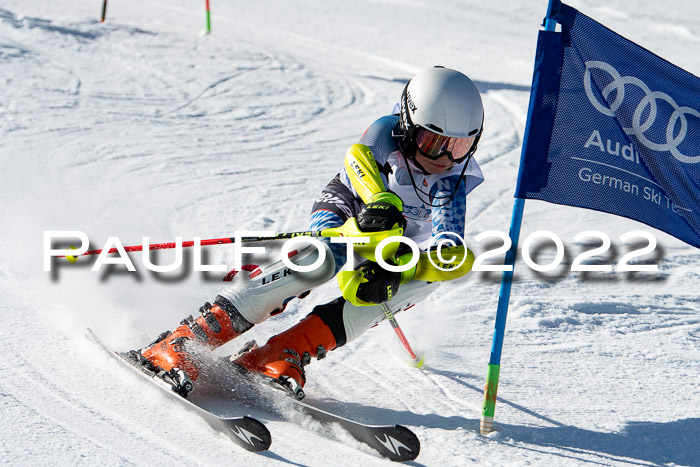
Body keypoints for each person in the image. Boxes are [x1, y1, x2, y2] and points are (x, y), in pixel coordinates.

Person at [125, 66, 485, 399]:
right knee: (325, 260)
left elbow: (449, 246)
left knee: (418, 282)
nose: (446, 158)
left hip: (393, 246)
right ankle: (183, 341)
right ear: (408, 123)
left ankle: (282, 351)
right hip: (348, 209)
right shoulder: (388, 130)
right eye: (432, 141)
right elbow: (358, 158)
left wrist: (402, 270)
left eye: (460, 146)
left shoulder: (452, 177)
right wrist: (380, 199)